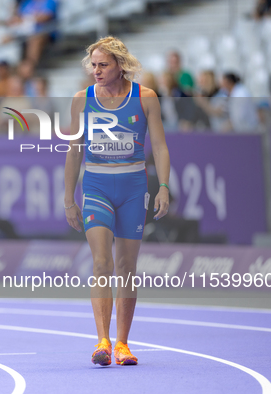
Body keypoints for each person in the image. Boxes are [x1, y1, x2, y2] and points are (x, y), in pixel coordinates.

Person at [64, 36, 170, 366]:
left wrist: (163, 186)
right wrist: (69, 199)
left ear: (120, 66)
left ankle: (122, 343)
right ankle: (102, 341)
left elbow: (160, 147)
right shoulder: (82, 99)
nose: (95, 71)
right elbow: (74, 149)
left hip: (134, 187)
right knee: (101, 263)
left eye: (103, 65)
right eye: (93, 65)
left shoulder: (146, 98)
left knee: (126, 267)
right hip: (96, 186)